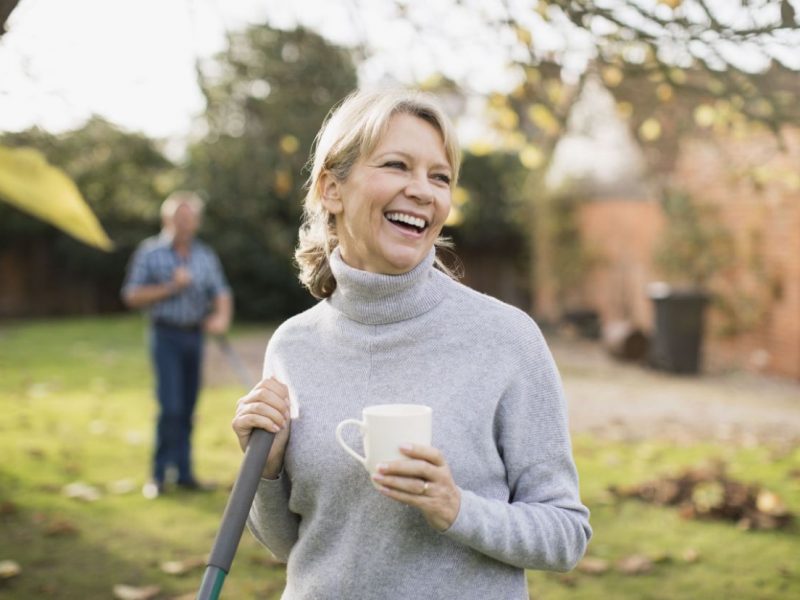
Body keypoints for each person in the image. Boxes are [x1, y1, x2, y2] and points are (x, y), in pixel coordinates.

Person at [232, 89, 591, 599]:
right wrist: (265, 473)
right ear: (332, 190)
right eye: (397, 165)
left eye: (439, 176)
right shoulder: (293, 346)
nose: (423, 191)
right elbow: (294, 546)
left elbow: (565, 535)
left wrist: (456, 508)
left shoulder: (505, 339)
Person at [122, 191, 232, 499]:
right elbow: (132, 295)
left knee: (187, 407)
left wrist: (220, 318)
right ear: (166, 219)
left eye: (189, 218)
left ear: (196, 222)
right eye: (178, 218)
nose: (184, 224)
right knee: (169, 406)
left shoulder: (205, 255)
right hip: (165, 335)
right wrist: (172, 287)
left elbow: (221, 291)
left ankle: (184, 474)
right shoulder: (150, 252)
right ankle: (158, 476)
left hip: (193, 336)